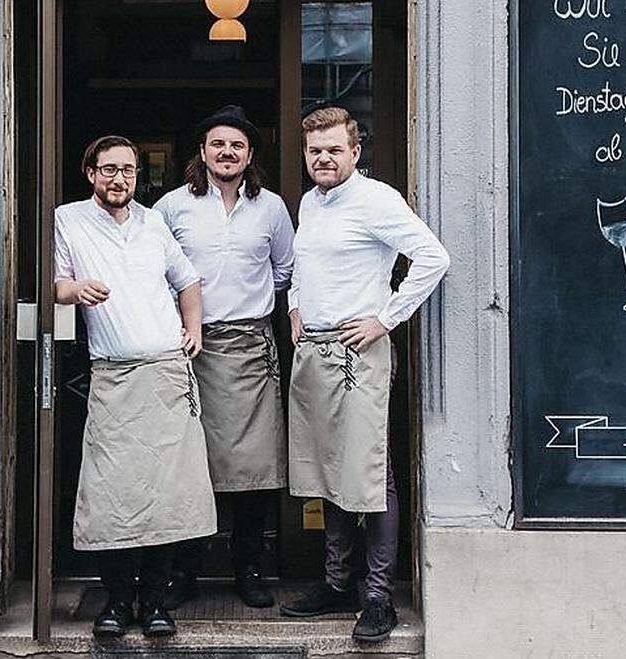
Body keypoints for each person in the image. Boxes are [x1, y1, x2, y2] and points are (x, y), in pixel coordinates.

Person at [279, 107, 450, 643]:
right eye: (314, 151)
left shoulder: (377, 200)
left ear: (355, 152)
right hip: (315, 349)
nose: (323, 158)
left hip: (358, 353)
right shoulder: (310, 202)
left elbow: (433, 257)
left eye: (334, 149)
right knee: (327, 470)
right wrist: (295, 306)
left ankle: (377, 596)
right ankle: (335, 582)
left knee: (371, 473)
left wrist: (385, 318)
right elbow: (303, 269)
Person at [54, 134, 217, 638]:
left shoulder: (154, 223)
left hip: (167, 372)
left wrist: (194, 329)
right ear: (91, 173)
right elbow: (54, 285)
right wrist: (75, 290)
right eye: (109, 169)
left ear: (136, 176)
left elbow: (187, 281)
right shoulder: (68, 219)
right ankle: (117, 603)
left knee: (166, 495)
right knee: (113, 496)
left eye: (127, 170)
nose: (119, 178)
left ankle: (156, 603)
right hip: (113, 377)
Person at [154, 105, 295, 609]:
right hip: (191, 347)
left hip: (253, 348)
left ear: (250, 154)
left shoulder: (272, 208)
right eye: (218, 143)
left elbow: (285, 272)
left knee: (253, 470)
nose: (227, 152)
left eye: (237, 145)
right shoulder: (172, 207)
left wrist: (247, 304)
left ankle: (248, 568)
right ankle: (184, 572)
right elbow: (156, 273)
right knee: (191, 465)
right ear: (203, 151)